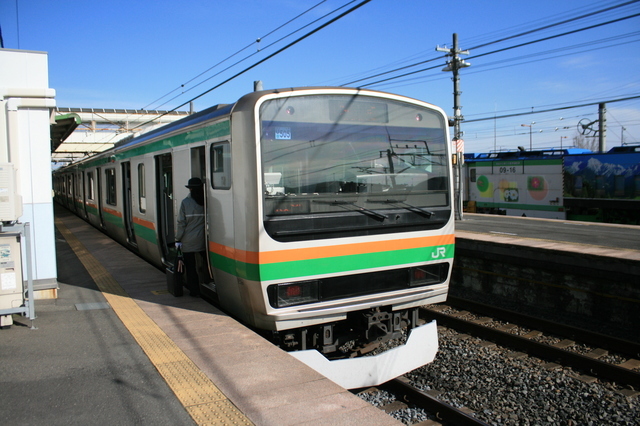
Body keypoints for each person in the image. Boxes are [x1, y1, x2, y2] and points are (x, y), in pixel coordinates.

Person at [175, 177, 206, 297]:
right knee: (207, 263)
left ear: (191, 189)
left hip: (188, 241)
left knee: (191, 268)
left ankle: (194, 291)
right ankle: (209, 281)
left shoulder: (185, 202)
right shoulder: (207, 202)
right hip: (204, 240)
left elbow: (181, 223)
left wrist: (178, 239)